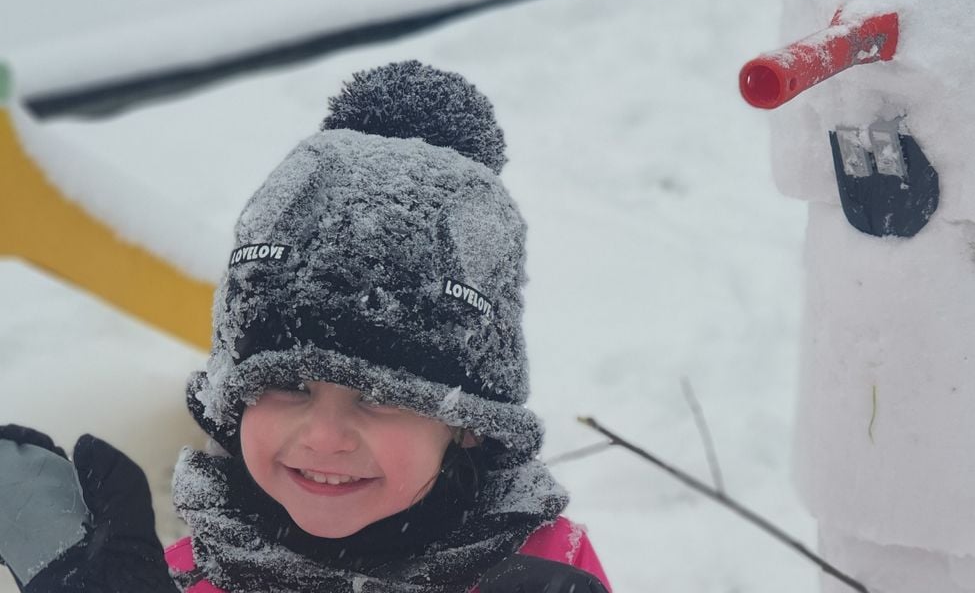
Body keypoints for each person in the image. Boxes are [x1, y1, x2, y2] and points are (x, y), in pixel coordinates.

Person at [0, 61, 612, 593]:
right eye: (289, 386)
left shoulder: (542, 573)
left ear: (470, 425)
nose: (324, 437)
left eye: (378, 397)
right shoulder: (184, 577)